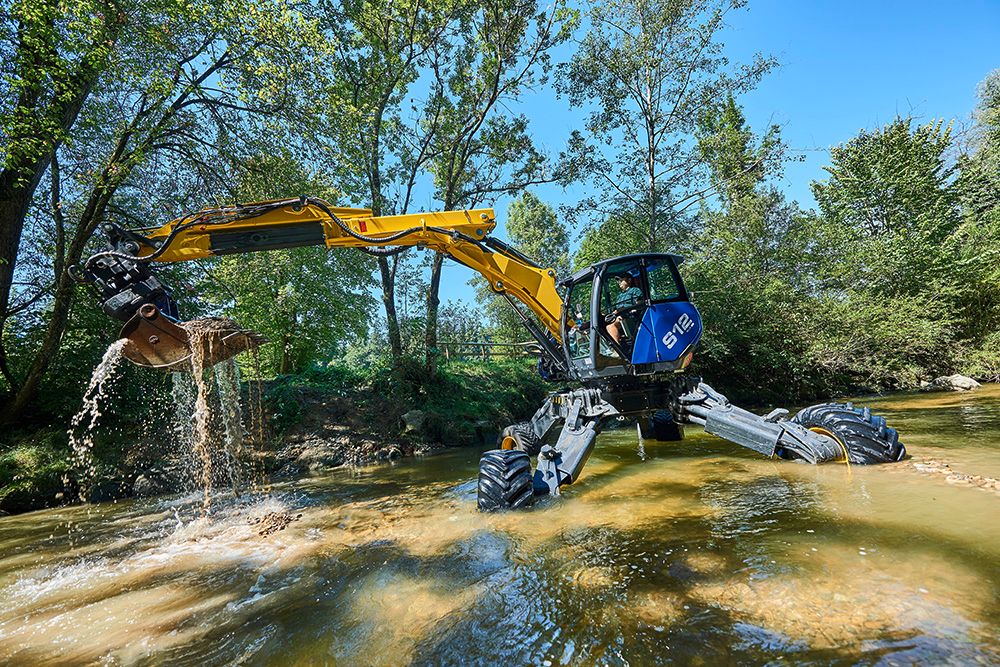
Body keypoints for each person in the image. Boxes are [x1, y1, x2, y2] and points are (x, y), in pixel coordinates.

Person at [607, 272, 642, 343]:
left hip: (630, 316)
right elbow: (616, 308)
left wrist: (628, 310)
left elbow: (639, 304)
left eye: (621, 280)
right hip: (619, 316)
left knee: (610, 327)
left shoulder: (635, 290)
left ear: (629, 280)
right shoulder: (620, 295)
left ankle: (617, 349)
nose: (619, 282)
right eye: (618, 281)